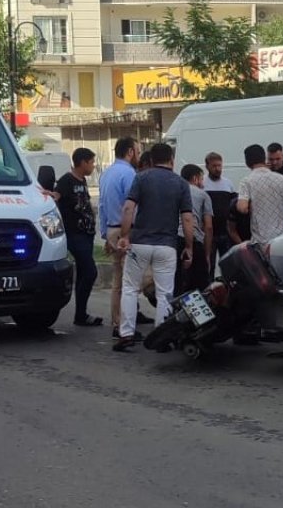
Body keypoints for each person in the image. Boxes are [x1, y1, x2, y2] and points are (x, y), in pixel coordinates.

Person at [116, 143, 194, 350]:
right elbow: (187, 219)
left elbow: (128, 208)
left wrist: (125, 235)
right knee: (165, 293)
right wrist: (189, 247)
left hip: (140, 243)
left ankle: (126, 334)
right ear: (171, 159)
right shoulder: (181, 184)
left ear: (151, 160)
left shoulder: (141, 178)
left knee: (131, 288)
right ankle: (161, 337)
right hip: (167, 247)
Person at [53, 148, 101, 327]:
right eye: (91, 162)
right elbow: (56, 197)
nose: (93, 166)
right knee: (90, 271)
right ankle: (80, 313)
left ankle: (81, 314)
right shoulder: (67, 180)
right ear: (82, 162)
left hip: (87, 234)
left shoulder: (83, 181)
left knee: (83, 273)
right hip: (75, 235)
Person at [98, 136, 139, 339]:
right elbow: (130, 207)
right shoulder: (129, 173)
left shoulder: (106, 174)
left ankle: (118, 322)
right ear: (130, 151)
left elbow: (102, 207)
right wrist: (128, 234)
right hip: (126, 230)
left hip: (111, 229)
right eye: (137, 151)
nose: (138, 155)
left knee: (118, 282)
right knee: (131, 280)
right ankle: (126, 325)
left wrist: (106, 234)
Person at [237, 144, 283, 244]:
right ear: (264, 158)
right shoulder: (282, 179)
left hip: (261, 240)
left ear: (247, 163)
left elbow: (242, 208)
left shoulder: (246, 182)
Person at [176, 164, 214, 294]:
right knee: (200, 285)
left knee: (176, 282)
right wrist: (207, 255)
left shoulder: (175, 191)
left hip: (174, 240)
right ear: (195, 178)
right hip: (193, 239)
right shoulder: (203, 195)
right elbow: (208, 227)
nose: (203, 183)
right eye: (202, 179)